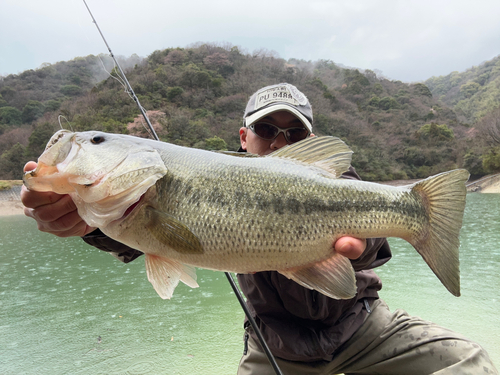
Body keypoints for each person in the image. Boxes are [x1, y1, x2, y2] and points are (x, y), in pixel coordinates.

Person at [22, 83, 497, 374]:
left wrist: (363, 243)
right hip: (275, 345)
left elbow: (369, 242)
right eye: (268, 131)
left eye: (295, 134)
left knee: (471, 363)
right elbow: (140, 236)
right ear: (243, 138)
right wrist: (82, 222)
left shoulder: (334, 181)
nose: (280, 141)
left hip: (362, 326)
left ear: (311, 140)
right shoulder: (176, 180)